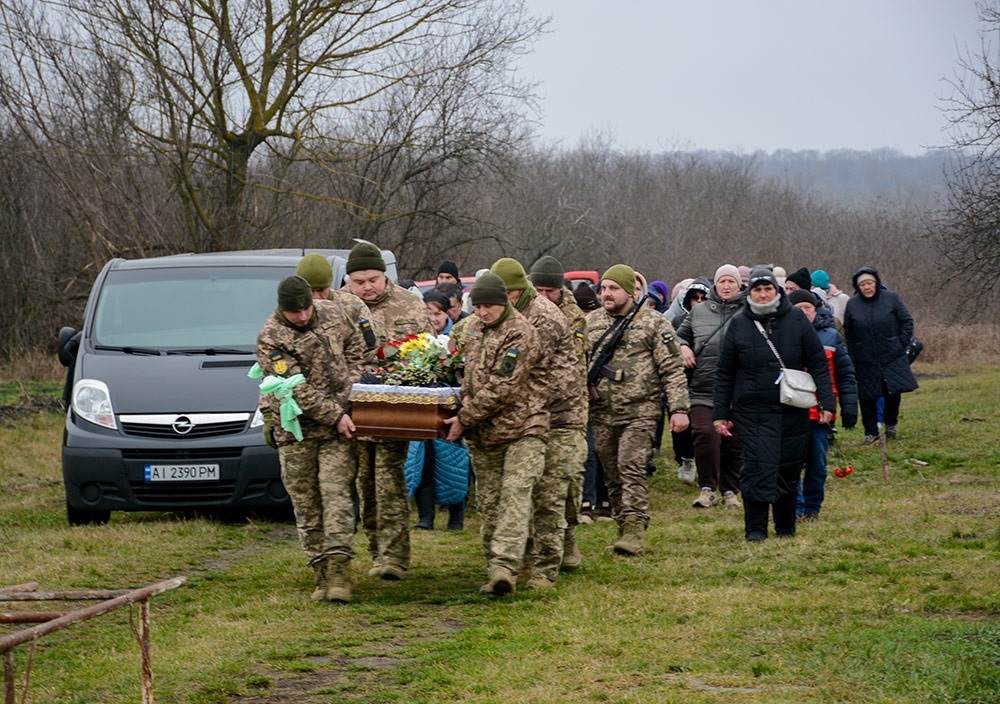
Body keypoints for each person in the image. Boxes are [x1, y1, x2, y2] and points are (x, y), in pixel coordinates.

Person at [256, 275, 369, 602]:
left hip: (337, 428)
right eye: (295, 313)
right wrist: (336, 414)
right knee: (306, 501)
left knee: (336, 493)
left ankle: (339, 571)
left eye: (306, 309)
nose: (303, 317)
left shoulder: (332, 313)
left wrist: (351, 388)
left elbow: (357, 346)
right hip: (297, 430)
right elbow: (294, 387)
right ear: (282, 309)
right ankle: (320, 571)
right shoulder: (271, 337)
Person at [712, 267, 835, 542]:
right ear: (750, 292)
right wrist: (720, 413)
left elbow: (817, 361)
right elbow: (725, 371)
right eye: (757, 289)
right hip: (752, 409)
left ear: (776, 291)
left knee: (788, 467)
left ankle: (785, 529)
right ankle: (755, 530)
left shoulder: (796, 319)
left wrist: (828, 402)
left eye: (768, 289)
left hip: (792, 407)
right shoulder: (740, 323)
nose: (763, 294)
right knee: (756, 467)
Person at [443, 273, 548, 596]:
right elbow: (463, 369)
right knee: (489, 504)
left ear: (504, 303)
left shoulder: (521, 333)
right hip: (485, 432)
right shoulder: (472, 328)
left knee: (515, 495)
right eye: (479, 306)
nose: (484, 312)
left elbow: (504, 386)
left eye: (490, 306)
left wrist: (463, 417)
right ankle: (500, 565)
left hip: (524, 426)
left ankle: (505, 566)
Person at [492, 258, 586, 589]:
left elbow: (529, 376)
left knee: (552, 492)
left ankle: (546, 568)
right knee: (520, 492)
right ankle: (526, 558)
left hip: (559, 416)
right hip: (522, 416)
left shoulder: (544, 319)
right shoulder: (500, 314)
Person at [343, 242, 435, 581]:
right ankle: (376, 551)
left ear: (385, 276)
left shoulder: (410, 304)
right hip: (354, 412)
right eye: (359, 281)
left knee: (389, 481)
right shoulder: (339, 307)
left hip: (393, 410)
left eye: (373, 279)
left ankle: (395, 555)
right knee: (365, 484)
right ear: (348, 281)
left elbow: (430, 350)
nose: (367, 287)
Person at [587, 264, 690, 555]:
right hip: (601, 412)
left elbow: (672, 369)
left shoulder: (654, 323)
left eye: (613, 288)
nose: (606, 294)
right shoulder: (591, 322)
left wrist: (680, 409)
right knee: (612, 472)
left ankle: (634, 531)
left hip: (640, 411)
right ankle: (624, 525)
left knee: (630, 466)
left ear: (631, 291)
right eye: (604, 288)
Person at [529, 255, 590, 571]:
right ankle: (533, 543)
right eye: (538, 289)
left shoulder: (573, 318)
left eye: (550, 291)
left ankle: (568, 539)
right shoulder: (524, 310)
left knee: (567, 479)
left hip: (568, 409)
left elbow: (576, 370)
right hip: (531, 409)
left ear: (561, 290)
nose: (544, 297)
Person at [676, 264, 746, 509]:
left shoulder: (749, 311)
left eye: (731, 282)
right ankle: (707, 489)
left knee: (732, 442)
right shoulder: (699, 311)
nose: (726, 286)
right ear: (715, 285)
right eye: (722, 281)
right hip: (703, 388)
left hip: (738, 390)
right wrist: (683, 347)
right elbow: (678, 336)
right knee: (705, 434)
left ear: (739, 286)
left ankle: (730, 491)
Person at [787, 289, 858, 521]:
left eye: (808, 308)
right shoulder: (782, 336)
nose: (804, 313)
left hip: (821, 413)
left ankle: (812, 509)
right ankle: (795, 508)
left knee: (817, 465)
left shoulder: (831, 336)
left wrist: (848, 407)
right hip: (792, 411)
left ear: (816, 310)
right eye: (799, 309)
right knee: (792, 464)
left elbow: (845, 374)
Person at [843, 266, 919, 445]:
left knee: (893, 392)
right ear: (858, 287)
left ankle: (891, 424)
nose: (867, 287)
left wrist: (900, 343)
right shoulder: (852, 304)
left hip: (891, 355)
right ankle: (870, 432)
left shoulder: (891, 298)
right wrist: (853, 357)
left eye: (869, 283)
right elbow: (849, 333)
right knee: (867, 396)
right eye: (862, 285)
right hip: (865, 358)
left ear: (876, 283)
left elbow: (907, 321)